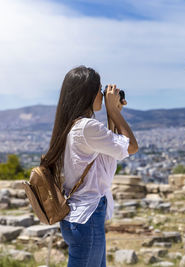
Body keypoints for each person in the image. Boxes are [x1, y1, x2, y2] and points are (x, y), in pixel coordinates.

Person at [41, 66, 138, 267]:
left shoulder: (74, 125)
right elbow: (131, 147)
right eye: (99, 90)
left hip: (79, 215)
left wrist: (113, 114)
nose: (102, 96)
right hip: (87, 217)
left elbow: (112, 150)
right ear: (87, 93)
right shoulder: (87, 127)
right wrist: (115, 113)